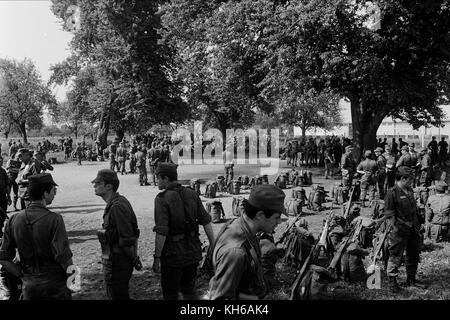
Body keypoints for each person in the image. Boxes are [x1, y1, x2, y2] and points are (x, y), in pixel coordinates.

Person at [0, 173, 74, 300]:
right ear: (45, 193)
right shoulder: (55, 220)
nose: (54, 194)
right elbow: (64, 256)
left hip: (29, 287)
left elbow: (3, 257)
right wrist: (73, 279)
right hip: (55, 286)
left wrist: (22, 275)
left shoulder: (13, 219)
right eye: (53, 190)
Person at [209, 184, 285, 300]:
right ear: (260, 215)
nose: (279, 222)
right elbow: (221, 298)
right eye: (276, 217)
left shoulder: (244, 228)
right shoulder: (236, 252)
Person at [152, 163, 215, 300]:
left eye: (158, 178)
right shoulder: (192, 193)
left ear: (166, 178)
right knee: (189, 290)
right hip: (193, 250)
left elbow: (162, 232)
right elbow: (206, 221)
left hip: (173, 255)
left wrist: (157, 258)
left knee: (170, 293)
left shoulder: (161, 199)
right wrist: (213, 245)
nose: (156, 181)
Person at [92, 169, 142, 300]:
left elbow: (127, 239)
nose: (94, 186)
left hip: (117, 262)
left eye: (98, 183)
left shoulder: (117, 206)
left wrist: (133, 259)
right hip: (118, 259)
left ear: (109, 186)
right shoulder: (118, 202)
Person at [383, 166, 424, 293]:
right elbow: (389, 214)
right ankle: (392, 282)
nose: (412, 181)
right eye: (410, 178)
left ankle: (411, 279)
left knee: (413, 253)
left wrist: (419, 223)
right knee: (395, 256)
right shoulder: (392, 192)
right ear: (403, 178)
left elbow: (414, 210)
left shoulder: (409, 190)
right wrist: (396, 228)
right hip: (399, 230)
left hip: (413, 229)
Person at [0, 156, 11, 233]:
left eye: (1, 160)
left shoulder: (3, 171)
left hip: (3, 197)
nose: (1, 162)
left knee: (3, 216)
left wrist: (9, 196)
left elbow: (7, 185)